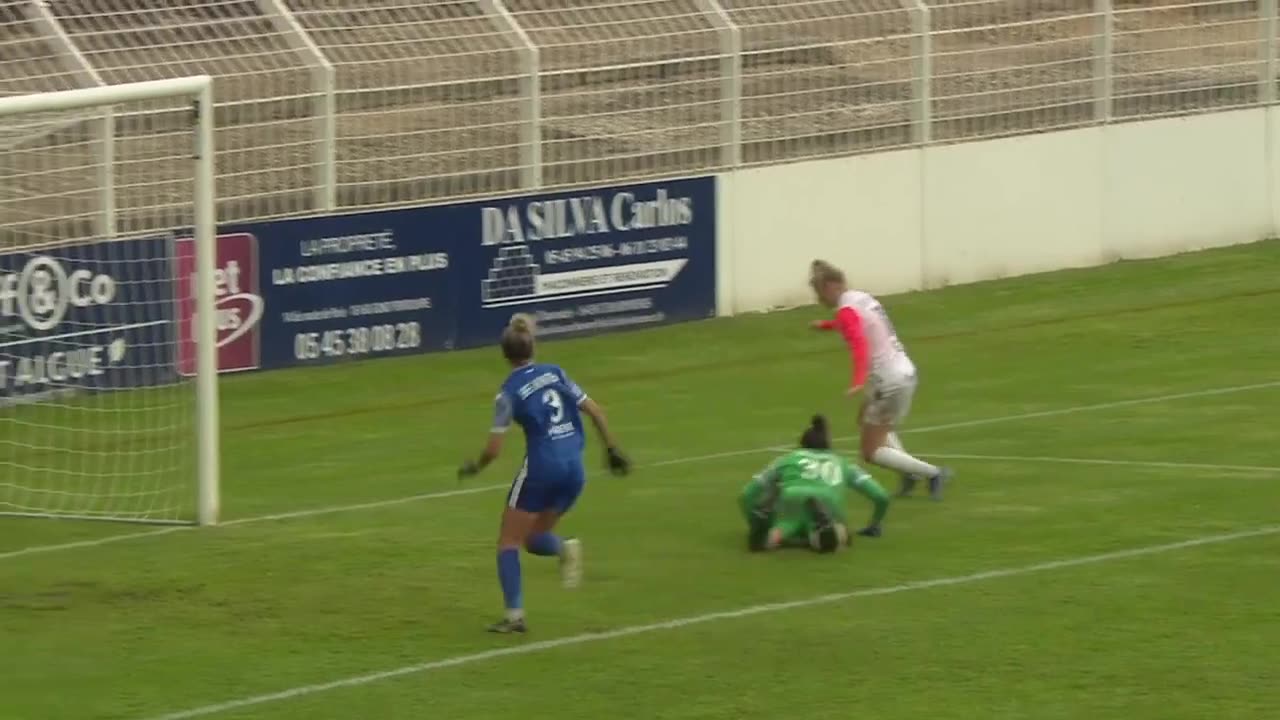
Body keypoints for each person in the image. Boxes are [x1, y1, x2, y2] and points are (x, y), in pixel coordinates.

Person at [458, 313, 630, 634]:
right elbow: (596, 410)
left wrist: (474, 466)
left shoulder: (507, 392)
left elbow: (494, 450)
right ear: (532, 346)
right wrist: (612, 449)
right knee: (534, 539)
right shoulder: (556, 373)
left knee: (508, 541)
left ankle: (514, 617)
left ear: (504, 354)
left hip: (542, 469)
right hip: (574, 470)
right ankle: (566, 549)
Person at [808, 259, 953, 500]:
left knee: (870, 450)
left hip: (888, 380)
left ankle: (933, 473)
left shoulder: (846, 310)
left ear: (831, 286)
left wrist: (857, 380)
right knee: (866, 419)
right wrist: (825, 325)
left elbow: (859, 344)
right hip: (902, 370)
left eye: (819, 292)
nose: (819, 299)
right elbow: (859, 326)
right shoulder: (861, 298)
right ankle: (911, 474)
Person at [740, 415, 890, 553]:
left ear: (802, 444)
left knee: (784, 527)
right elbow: (881, 496)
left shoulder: (787, 459)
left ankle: (767, 536)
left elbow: (746, 494)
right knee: (842, 535)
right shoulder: (844, 463)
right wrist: (874, 525)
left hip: (792, 497)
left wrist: (753, 523)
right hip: (828, 500)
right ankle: (824, 530)